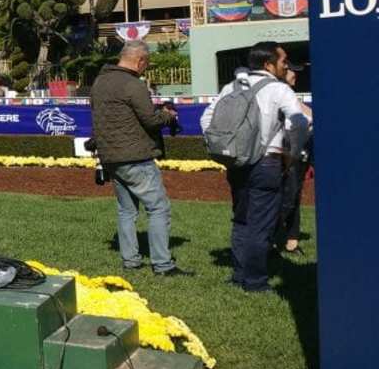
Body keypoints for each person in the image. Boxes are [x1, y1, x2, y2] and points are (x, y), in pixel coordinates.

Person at [201, 41, 310, 293]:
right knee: (260, 224)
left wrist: (224, 145)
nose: (286, 66)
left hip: (237, 162)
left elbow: (206, 118)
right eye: (283, 61)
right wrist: (292, 154)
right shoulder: (280, 90)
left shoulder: (232, 86)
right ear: (268, 64)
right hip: (267, 162)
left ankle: (239, 275)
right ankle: (255, 281)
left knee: (241, 219)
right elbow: (299, 123)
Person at [90, 41, 191, 276]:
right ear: (140, 61)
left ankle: (131, 261)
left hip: (111, 157)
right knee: (158, 208)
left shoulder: (99, 82)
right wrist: (167, 114)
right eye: (147, 64)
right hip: (136, 157)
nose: (146, 68)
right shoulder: (132, 84)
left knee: (126, 211)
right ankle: (163, 264)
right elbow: (151, 120)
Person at [275, 64, 313, 255]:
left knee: (294, 198)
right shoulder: (280, 96)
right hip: (286, 154)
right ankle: (269, 238)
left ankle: (291, 241)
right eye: (291, 70)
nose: (294, 74)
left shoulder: (292, 96)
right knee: (287, 198)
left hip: (298, 155)